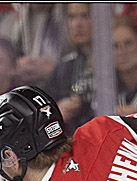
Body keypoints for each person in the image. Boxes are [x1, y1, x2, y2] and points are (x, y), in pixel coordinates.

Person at [43, 2, 96, 133]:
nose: (77, 24)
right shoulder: (64, 68)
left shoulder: (116, 60)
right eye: (72, 17)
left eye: (85, 15)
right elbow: (44, 114)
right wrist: (57, 113)